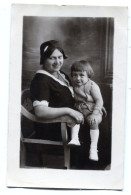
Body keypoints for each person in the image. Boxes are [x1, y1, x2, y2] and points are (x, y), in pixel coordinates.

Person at [30, 40, 84, 157]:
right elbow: (40, 112)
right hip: (54, 127)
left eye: (60, 57)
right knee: (94, 127)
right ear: (44, 59)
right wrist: (69, 111)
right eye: (52, 58)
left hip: (67, 121)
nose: (57, 62)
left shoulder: (60, 74)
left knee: (97, 119)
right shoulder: (41, 80)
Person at [69, 60, 106, 161]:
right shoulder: (74, 86)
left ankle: (93, 149)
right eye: (75, 75)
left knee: (93, 122)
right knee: (75, 117)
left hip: (93, 110)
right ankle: (75, 138)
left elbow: (99, 100)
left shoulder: (92, 86)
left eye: (81, 75)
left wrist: (94, 114)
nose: (78, 78)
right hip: (80, 109)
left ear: (88, 75)